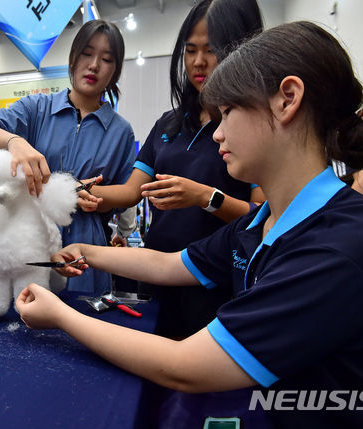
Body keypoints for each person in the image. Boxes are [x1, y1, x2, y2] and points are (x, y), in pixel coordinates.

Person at [16, 22, 363, 427]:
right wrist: (88, 252)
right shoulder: (261, 224)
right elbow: (170, 265)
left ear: (287, 99)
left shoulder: (338, 247)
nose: (217, 133)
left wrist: (60, 316)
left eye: (230, 112)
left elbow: (185, 366)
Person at [77, 0, 265, 338]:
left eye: (211, 50)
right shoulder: (170, 123)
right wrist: (79, 191)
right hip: (158, 274)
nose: (198, 62)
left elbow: (262, 216)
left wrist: (205, 197)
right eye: (190, 50)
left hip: (214, 282)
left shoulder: (252, 126)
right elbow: (131, 191)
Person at [0, 19, 136, 294]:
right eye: (86, 53)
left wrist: (96, 196)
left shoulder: (121, 131)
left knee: (84, 325)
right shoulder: (37, 108)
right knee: (27, 317)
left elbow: (129, 193)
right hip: (32, 234)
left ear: (115, 71)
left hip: (87, 248)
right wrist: (14, 141)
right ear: (73, 58)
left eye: (106, 59)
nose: (94, 65)